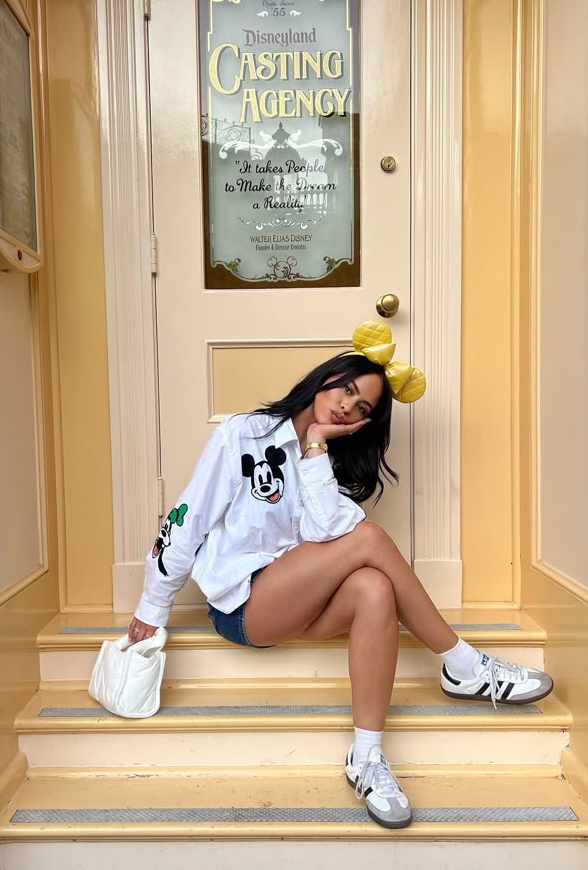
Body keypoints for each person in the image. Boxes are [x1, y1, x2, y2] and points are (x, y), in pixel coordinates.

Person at [128, 320, 553, 830]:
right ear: (326, 377)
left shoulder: (327, 459)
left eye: (362, 409)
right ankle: (462, 664)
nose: (347, 406)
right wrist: (152, 606)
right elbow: (188, 517)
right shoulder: (242, 433)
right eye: (346, 389)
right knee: (370, 541)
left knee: (375, 588)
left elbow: (328, 531)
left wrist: (314, 447)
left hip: (301, 601)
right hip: (244, 607)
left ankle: (368, 758)